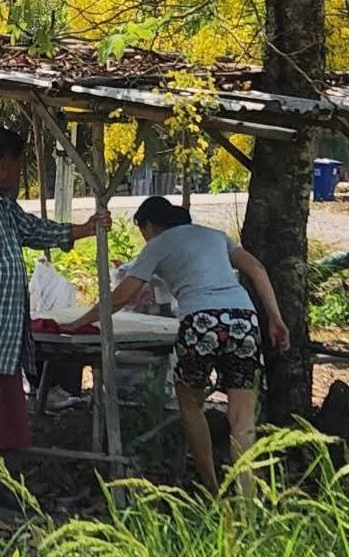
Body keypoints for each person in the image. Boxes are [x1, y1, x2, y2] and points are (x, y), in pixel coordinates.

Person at [64, 196, 290, 495]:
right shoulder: (216, 236)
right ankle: (246, 498)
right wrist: (275, 318)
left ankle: (212, 487)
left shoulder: (158, 244)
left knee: (190, 403)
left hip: (200, 320)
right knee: (242, 416)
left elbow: (122, 296)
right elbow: (257, 268)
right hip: (243, 319)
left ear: (151, 225)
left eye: (143, 231)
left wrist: (82, 321)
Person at [0, 128, 108, 501]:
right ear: (5, 163)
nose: (19, 173)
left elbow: (32, 229)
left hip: (4, 334)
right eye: (19, 165)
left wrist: (82, 230)